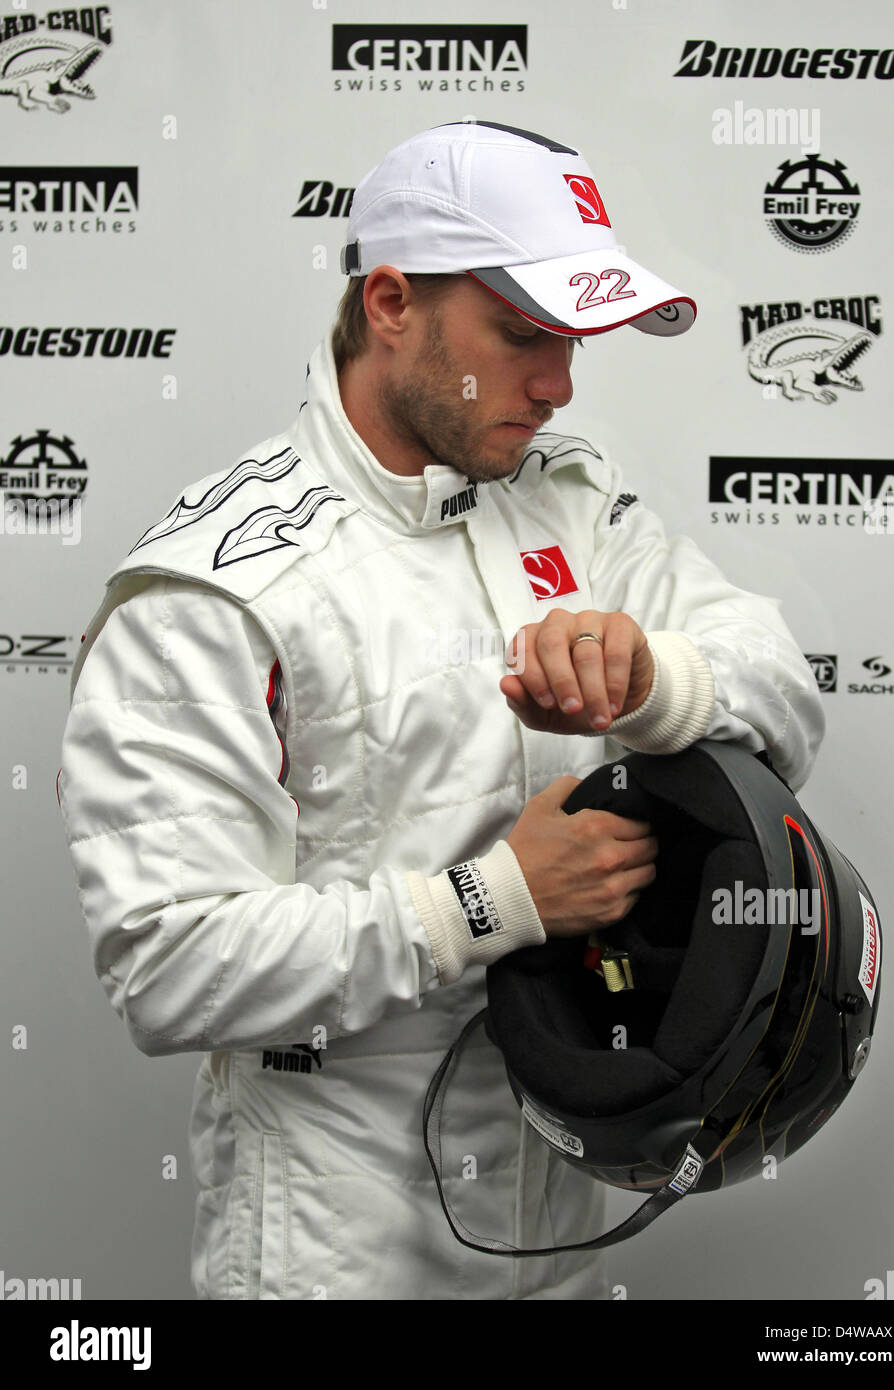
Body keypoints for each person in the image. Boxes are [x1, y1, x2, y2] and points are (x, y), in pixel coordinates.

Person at [58, 120, 824, 1301]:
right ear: (391, 303)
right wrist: (492, 899)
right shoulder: (216, 588)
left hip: (559, 1230)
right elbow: (169, 965)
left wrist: (652, 679)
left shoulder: (567, 502)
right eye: (522, 333)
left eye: (573, 339)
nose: (559, 383)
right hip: (334, 1252)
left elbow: (782, 684)